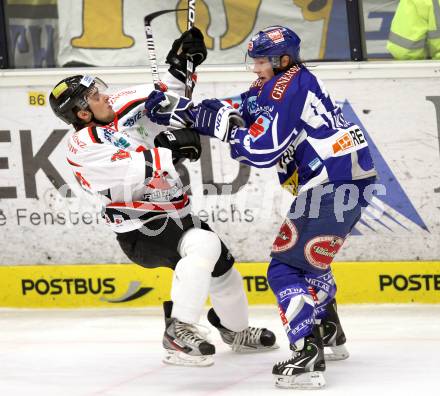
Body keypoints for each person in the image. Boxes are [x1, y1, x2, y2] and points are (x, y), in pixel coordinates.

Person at [145, 25, 377, 388]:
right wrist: (183, 110)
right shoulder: (277, 82)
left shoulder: (289, 86)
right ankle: (329, 331)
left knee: (284, 269)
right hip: (342, 180)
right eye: (252, 60)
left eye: (262, 61)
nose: (255, 67)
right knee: (309, 262)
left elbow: (261, 148)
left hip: (333, 184)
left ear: (283, 59)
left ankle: (307, 356)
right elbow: (237, 107)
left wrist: (220, 127)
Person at [49, 27, 277, 368]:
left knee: (224, 268)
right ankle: (179, 330)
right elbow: (143, 165)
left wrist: (182, 63)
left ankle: (235, 331)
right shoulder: (83, 147)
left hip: (178, 213)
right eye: (95, 97)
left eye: (100, 90)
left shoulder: (119, 102)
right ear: (82, 114)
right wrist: (171, 142)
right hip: (141, 230)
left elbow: (166, 95)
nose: (105, 97)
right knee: (203, 244)